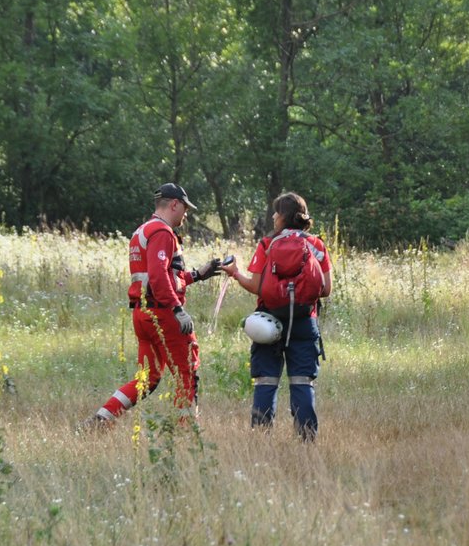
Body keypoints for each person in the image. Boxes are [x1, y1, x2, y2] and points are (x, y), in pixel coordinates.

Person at [85, 183, 224, 428]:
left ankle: (102, 419)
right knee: (187, 374)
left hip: (143, 314)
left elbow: (164, 278)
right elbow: (159, 277)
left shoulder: (143, 231)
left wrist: (199, 274)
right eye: (185, 208)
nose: (186, 214)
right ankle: (186, 434)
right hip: (163, 314)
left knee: (147, 379)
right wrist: (178, 310)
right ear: (174, 204)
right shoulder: (162, 232)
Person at [221, 191, 332, 439]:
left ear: (283, 217)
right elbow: (325, 289)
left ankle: (261, 440)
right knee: (303, 382)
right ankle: (306, 441)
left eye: (276, 211)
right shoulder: (317, 245)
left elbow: (257, 287)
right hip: (304, 322)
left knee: (266, 382)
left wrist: (235, 273)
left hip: (267, 323)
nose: (273, 216)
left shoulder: (266, 244)